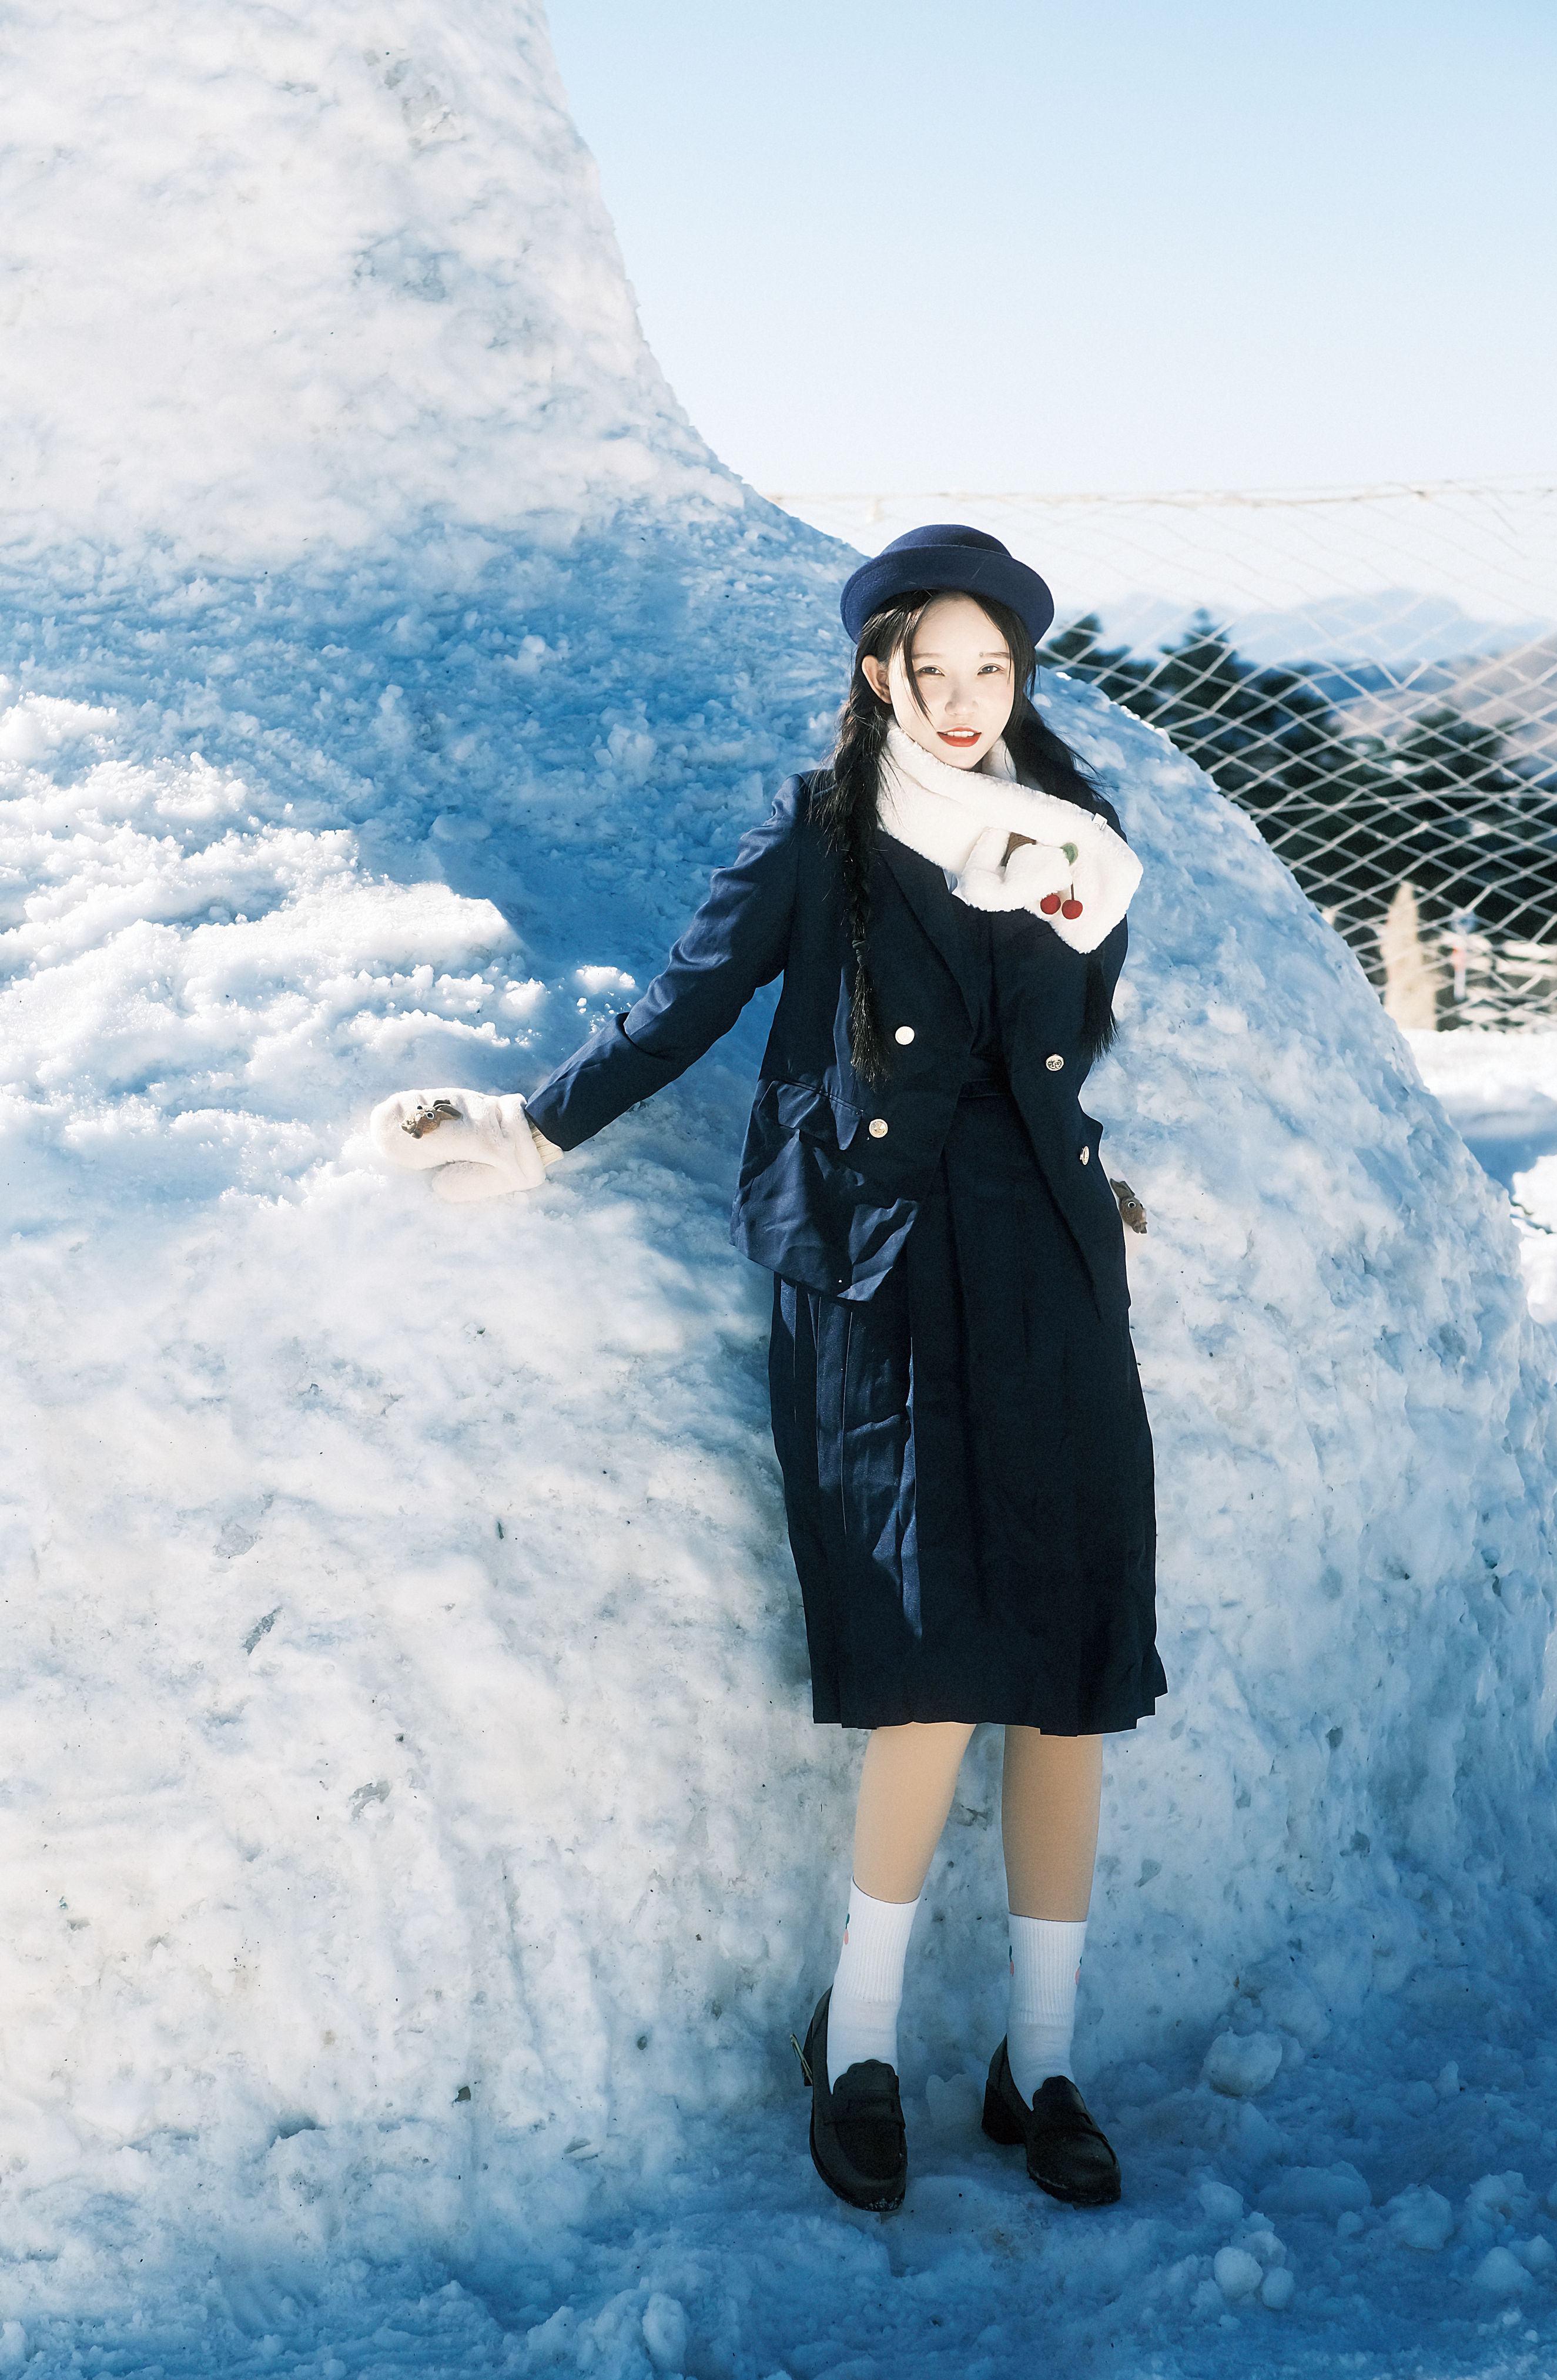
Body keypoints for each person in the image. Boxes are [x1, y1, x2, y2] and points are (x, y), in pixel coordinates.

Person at [371, 525, 1164, 2215]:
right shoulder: (821, 839)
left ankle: (1044, 2061)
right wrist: (531, 1131)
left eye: (990, 672)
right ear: (876, 670)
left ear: (1020, 676)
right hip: (881, 1280)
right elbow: (683, 1003)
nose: (959, 704)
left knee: (1073, 1674)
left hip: (1046, 1276)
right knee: (931, 1659)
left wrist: (1086, 1170)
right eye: (927, 670)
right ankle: (860, 2042)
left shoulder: (1076, 842)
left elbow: (1057, 1048)